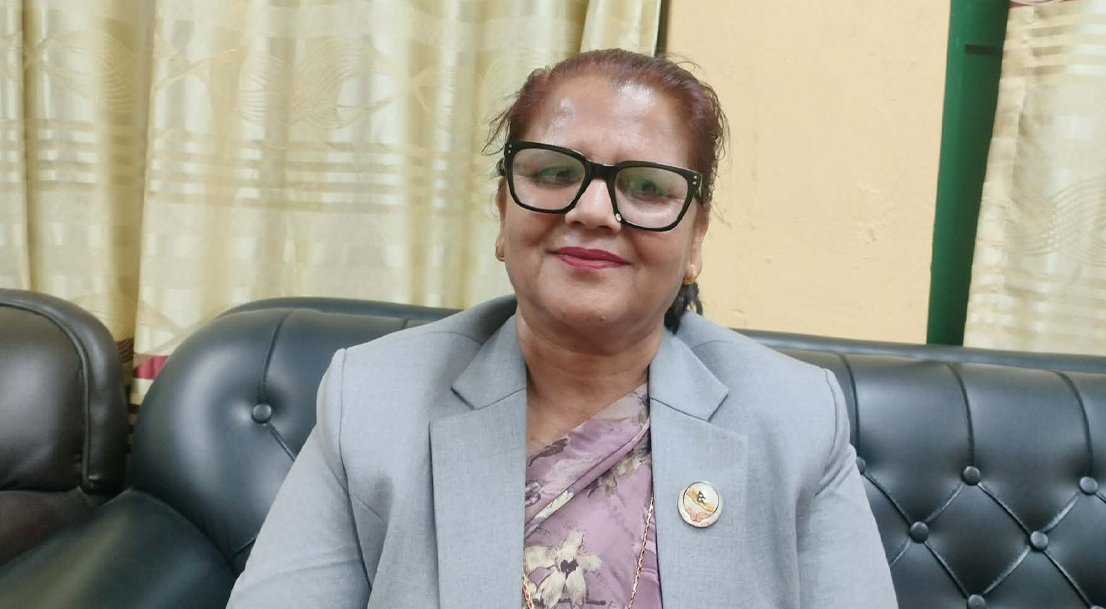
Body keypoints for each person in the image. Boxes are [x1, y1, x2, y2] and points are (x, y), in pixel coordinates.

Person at [228, 49, 896, 608]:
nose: (594, 210)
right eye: (554, 172)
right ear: (503, 211)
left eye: (646, 187)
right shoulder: (372, 400)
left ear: (696, 237)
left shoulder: (794, 418)